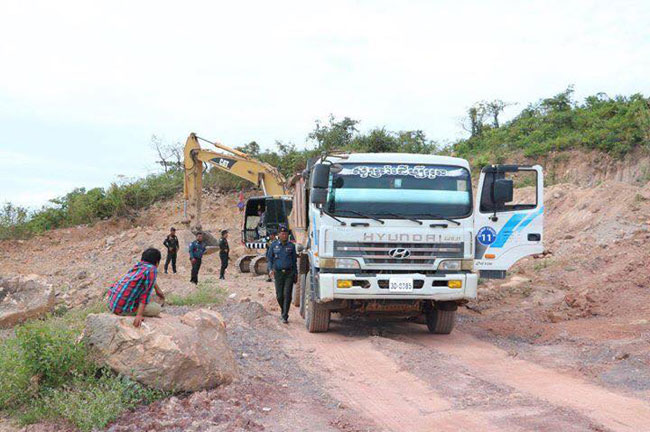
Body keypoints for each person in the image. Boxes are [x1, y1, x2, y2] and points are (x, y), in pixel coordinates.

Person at [107, 248, 166, 328]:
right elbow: (145, 294)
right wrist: (139, 315)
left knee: (149, 299)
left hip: (113, 303)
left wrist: (158, 290)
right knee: (157, 309)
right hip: (122, 309)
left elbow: (149, 282)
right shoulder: (152, 270)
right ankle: (132, 311)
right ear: (157, 263)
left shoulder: (139, 266)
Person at [267, 226, 297, 324]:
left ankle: (285, 315)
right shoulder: (273, 245)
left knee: (287, 294)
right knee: (279, 296)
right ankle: (283, 310)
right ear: (279, 234)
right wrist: (270, 269)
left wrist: (295, 273)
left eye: (286, 234)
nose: (284, 235)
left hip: (289, 273)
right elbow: (270, 259)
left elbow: (294, 261)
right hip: (278, 273)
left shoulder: (291, 246)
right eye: (282, 234)